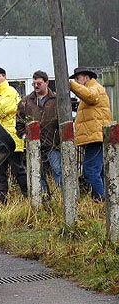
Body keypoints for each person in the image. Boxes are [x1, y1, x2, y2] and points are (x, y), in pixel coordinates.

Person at [0, 67, 28, 206]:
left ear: (4, 76)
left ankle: (28, 196)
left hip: (12, 138)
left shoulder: (11, 92)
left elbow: (2, 110)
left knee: (18, 170)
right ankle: (1, 201)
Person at [69, 67, 112, 202]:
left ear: (86, 78)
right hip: (93, 136)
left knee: (90, 171)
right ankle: (102, 202)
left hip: (95, 137)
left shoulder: (94, 88)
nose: (76, 81)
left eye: (78, 78)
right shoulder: (93, 87)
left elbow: (91, 97)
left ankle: (99, 201)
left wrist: (70, 85)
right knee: (97, 171)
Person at [16, 70, 61, 194]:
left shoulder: (56, 99)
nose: (36, 86)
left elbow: (63, 121)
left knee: (58, 171)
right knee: (38, 174)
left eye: (39, 83)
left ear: (46, 83)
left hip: (53, 144)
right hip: (34, 145)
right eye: (34, 83)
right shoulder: (25, 101)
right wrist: (25, 136)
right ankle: (43, 197)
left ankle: (60, 198)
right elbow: (19, 122)